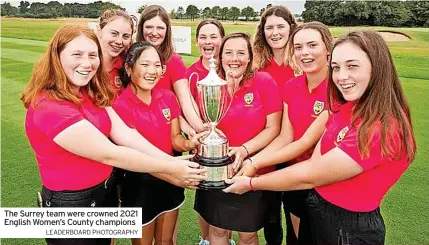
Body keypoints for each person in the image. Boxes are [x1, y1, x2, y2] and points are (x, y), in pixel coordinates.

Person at [224, 29, 416, 245]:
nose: (342, 76)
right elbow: (311, 150)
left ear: (377, 66)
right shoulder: (345, 106)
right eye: (337, 67)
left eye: (352, 66)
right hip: (319, 205)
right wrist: (253, 162)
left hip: (348, 226)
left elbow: (311, 173)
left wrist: (251, 182)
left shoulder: (382, 127)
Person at [21, 25, 206, 245]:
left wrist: (172, 161)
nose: (87, 63)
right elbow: (111, 154)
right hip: (72, 205)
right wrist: (172, 167)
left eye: (92, 55)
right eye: (77, 54)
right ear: (57, 57)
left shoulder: (89, 93)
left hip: (104, 193)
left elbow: (125, 135)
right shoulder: (49, 106)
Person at [236, 21, 333, 244]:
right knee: (296, 240)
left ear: (328, 48)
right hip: (295, 176)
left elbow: (305, 142)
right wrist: (251, 158)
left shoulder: (337, 88)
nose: (304, 53)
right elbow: (286, 137)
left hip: (327, 181)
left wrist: (253, 164)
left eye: (312, 45)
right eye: (298, 47)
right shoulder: (292, 86)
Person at [112, 41, 207, 245]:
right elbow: (134, 156)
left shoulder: (168, 97)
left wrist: (189, 143)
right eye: (145, 65)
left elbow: (175, 140)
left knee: (166, 242)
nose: (152, 71)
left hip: (169, 182)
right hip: (138, 186)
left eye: (157, 65)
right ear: (129, 68)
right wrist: (175, 175)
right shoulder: (120, 106)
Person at [194, 32, 282, 245]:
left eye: (241, 53)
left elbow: (273, 128)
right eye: (229, 53)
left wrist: (244, 150)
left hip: (250, 170)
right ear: (220, 56)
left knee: (248, 235)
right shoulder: (210, 85)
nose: (234, 58)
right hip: (216, 170)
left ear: (250, 57)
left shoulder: (264, 81)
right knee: (217, 230)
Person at [251, 6, 297, 245]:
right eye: (269, 27)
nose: (275, 32)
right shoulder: (257, 64)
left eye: (280, 26)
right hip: (266, 144)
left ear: (291, 28)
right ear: (263, 31)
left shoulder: (302, 61)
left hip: (297, 146)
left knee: (294, 208)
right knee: (269, 212)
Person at [185, 19, 232, 245]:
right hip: (203, 148)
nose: (208, 42)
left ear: (222, 39)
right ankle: (205, 240)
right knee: (205, 196)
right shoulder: (191, 74)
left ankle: (226, 240)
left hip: (229, 149)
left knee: (229, 198)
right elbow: (184, 109)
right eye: (203, 37)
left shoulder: (231, 68)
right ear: (196, 42)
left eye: (214, 36)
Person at [136, 5, 204, 133]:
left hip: (167, 131)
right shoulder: (130, 56)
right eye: (149, 27)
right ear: (141, 28)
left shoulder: (174, 60)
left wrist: (200, 128)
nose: (154, 32)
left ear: (167, 31)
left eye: (160, 28)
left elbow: (185, 99)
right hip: (136, 129)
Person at [96, 9, 133, 96]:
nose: (119, 41)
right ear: (99, 31)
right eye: (114, 33)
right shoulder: (85, 63)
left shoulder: (128, 67)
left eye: (125, 36)